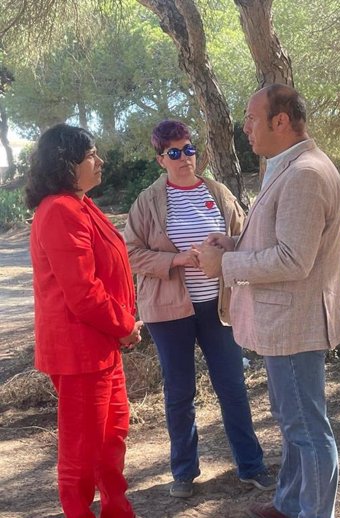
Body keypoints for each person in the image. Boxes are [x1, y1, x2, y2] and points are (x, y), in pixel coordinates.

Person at [197, 84, 340, 518]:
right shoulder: (289, 166)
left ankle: (313, 512)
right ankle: (289, 503)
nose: (244, 127)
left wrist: (225, 265)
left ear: (280, 121)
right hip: (287, 322)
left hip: (295, 324)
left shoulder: (304, 174)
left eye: (250, 117)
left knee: (307, 429)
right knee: (293, 421)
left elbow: (293, 259)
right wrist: (233, 243)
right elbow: (284, 239)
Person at [123, 120, 273, 499]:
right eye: (174, 153)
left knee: (233, 387)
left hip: (218, 308)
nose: (184, 158)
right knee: (179, 392)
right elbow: (132, 253)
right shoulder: (148, 201)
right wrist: (176, 261)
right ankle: (184, 473)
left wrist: (225, 251)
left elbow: (245, 237)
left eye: (188, 149)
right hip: (169, 313)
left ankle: (251, 466)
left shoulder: (217, 192)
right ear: (161, 160)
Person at [25, 123, 143, 518]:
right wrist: (125, 325)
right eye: (92, 154)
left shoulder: (80, 204)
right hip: (80, 351)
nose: (100, 160)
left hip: (102, 345)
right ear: (67, 163)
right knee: (82, 449)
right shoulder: (59, 210)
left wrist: (122, 325)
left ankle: (116, 509)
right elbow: (83, 293)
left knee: (112, 436)